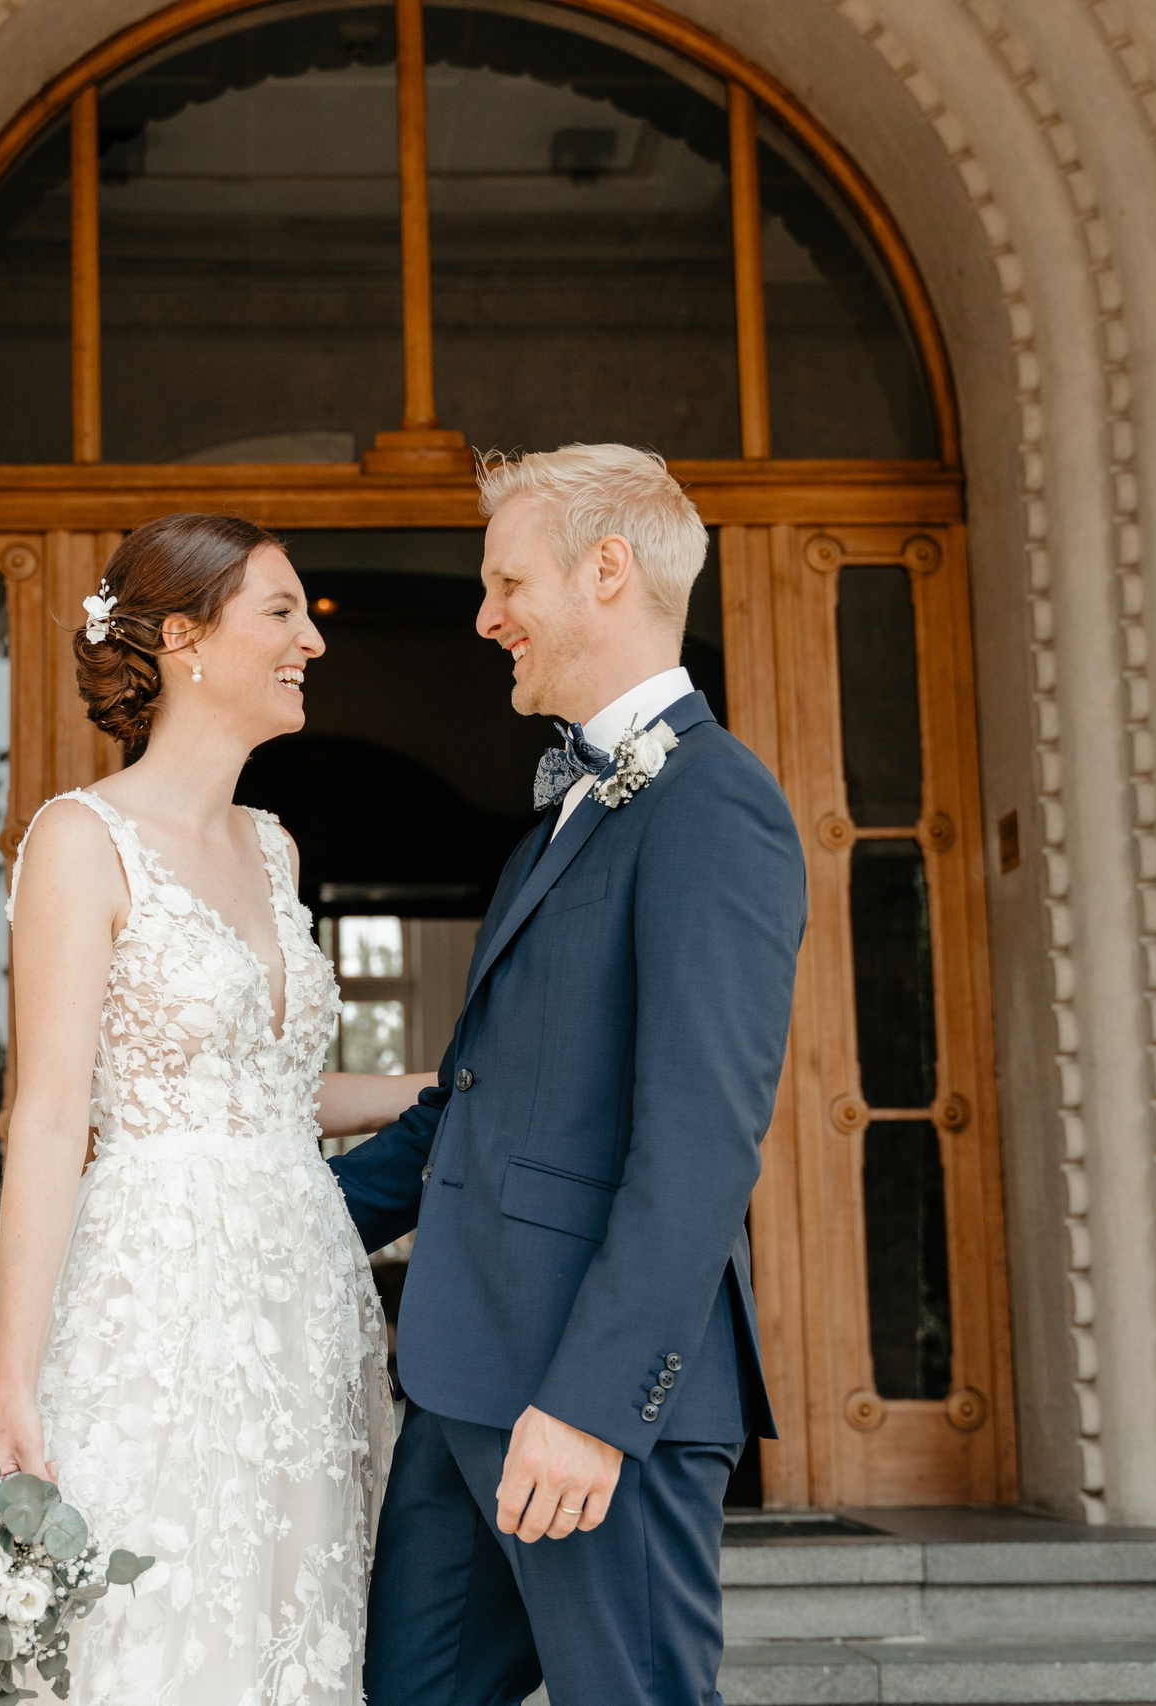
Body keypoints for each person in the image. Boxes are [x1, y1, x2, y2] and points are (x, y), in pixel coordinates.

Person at [333, 444, 805, 1706]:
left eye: (504, 581)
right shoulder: (559, 809)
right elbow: (472, 1101)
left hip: (592, 1405)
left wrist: (594, 1403)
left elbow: (698, 1140)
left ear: (607, 569)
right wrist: (269, 1212)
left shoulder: (715, 804)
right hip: (460, 1382)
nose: (484, 617)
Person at [0, 512, 431, 1705]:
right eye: (280, 613)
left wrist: (444, 1091)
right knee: (164, 1617)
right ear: (182, 636)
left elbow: (276, 1088)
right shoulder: (82, 841)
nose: (310, 643)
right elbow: (47, 1114)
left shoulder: (272, 846)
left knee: (304, 1610)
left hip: (308, 1297)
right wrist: (13, 1379)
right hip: (162, 1304)